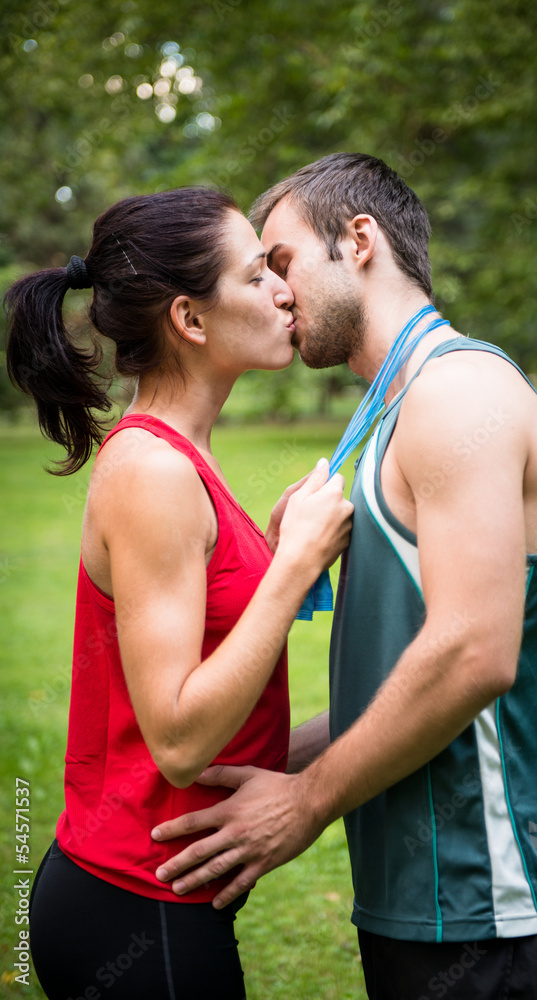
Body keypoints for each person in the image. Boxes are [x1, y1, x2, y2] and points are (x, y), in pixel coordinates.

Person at [151, 154, 537, 999]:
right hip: (418, 906)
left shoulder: (457, 393)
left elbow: (474, 654)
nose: (275, 294)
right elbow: (407, 668)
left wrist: (308, 801)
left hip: (496, 908)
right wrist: (277, 762)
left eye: (280, 264)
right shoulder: (387, 414)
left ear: (359, 240)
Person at [4, 186, 353, 1000]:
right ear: (191, 321)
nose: (284, 289)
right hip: (133, 913)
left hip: (153, 902)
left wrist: (377, 726)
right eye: (257, 272)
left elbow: (224, 751)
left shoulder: (185, 461)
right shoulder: (153, 473)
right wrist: (293, 567)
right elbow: (179, 742)